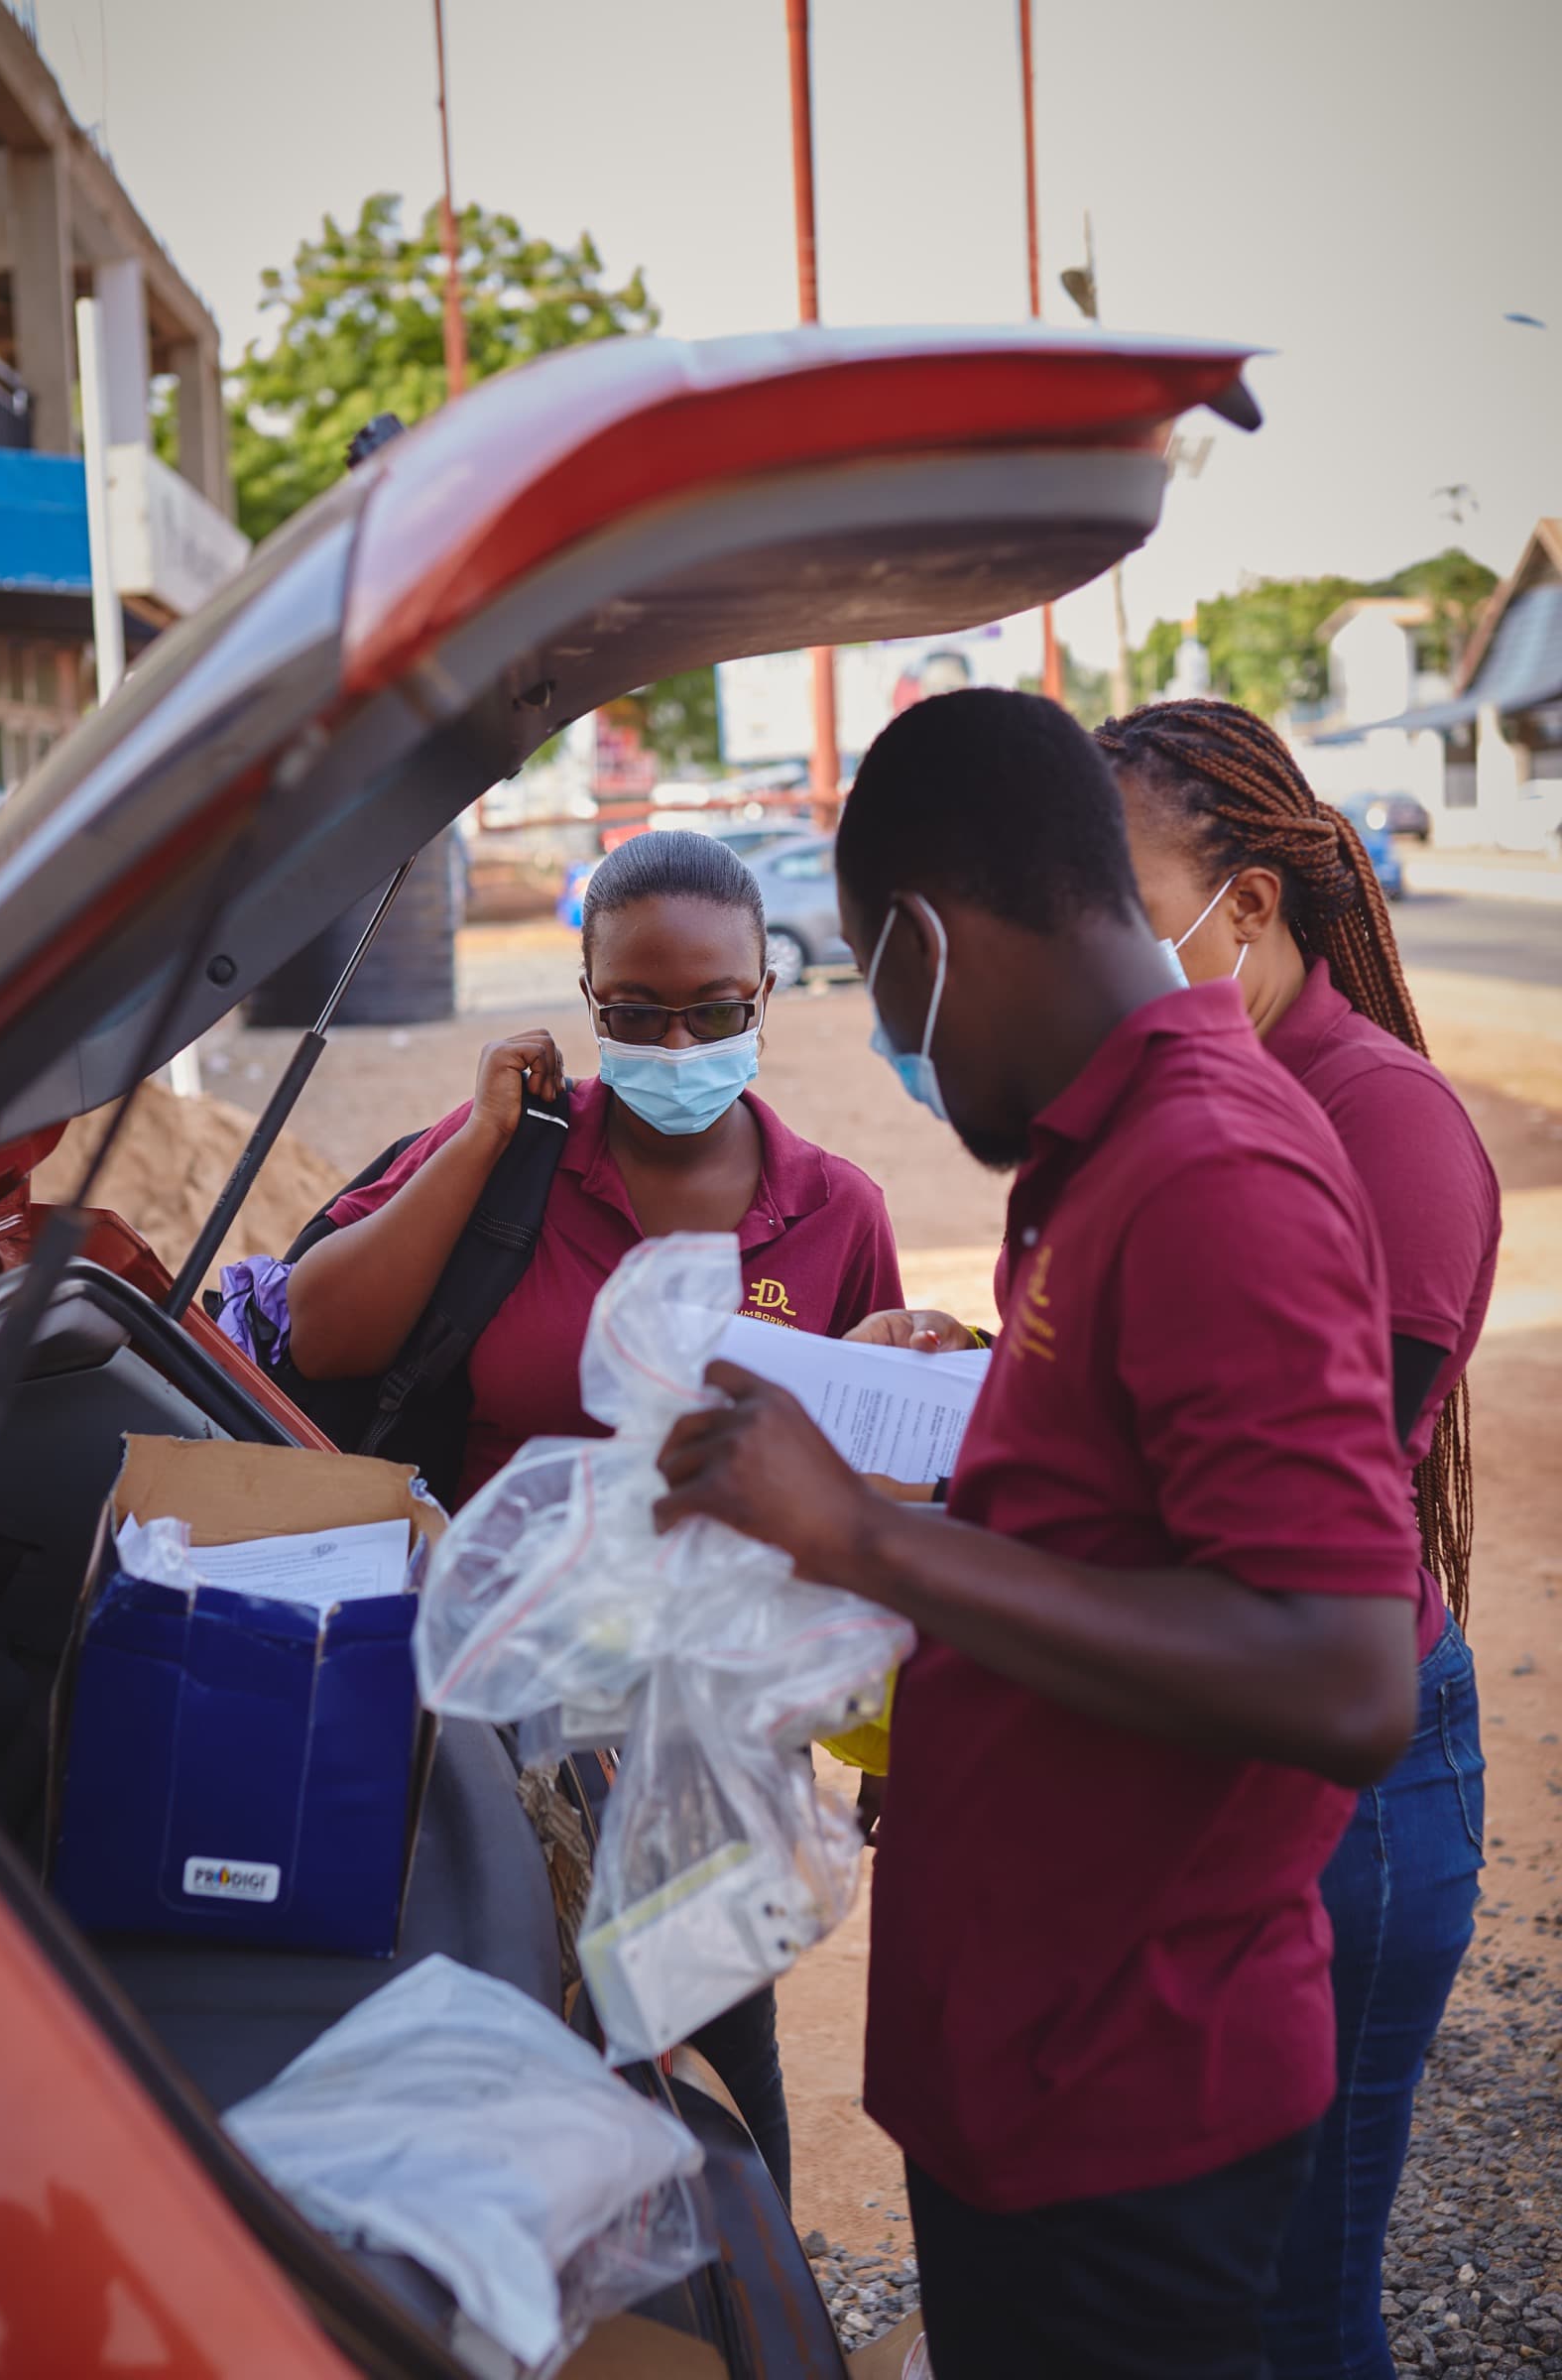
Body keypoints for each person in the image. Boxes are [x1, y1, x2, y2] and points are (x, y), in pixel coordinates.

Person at [651, 689, 1423, 2380]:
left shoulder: (1212, 1169)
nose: (891, 1036)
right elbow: (1122, 1527)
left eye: (874, 978)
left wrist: (867, 1539)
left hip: (1132, 2095)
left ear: (925, 939)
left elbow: (1350, 1671)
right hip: (1029, 2049)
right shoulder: (1100, 1150)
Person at [287, 827, 905, 2207]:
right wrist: (488, 1138)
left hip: (712, 1724)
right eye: (636, 1011)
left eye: (716, 1010)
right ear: (587, 999)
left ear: (764, 993)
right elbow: (322, 1333)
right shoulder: (515, 1166)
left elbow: (874, 1484)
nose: (677, 1040)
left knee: (712, 2051)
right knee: (496, 2008)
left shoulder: (834, 1214)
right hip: (492, 1716)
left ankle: (733, 2317)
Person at [1088, 698, 1497, 2380]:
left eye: (1113, 906)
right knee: (1189, 2299)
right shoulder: (1161, 1098)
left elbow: (1286, 1503)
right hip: (1190, 1768)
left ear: (1242, 908)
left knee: (1294, 2313)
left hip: (1339, 1810)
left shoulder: (1375, 1120)